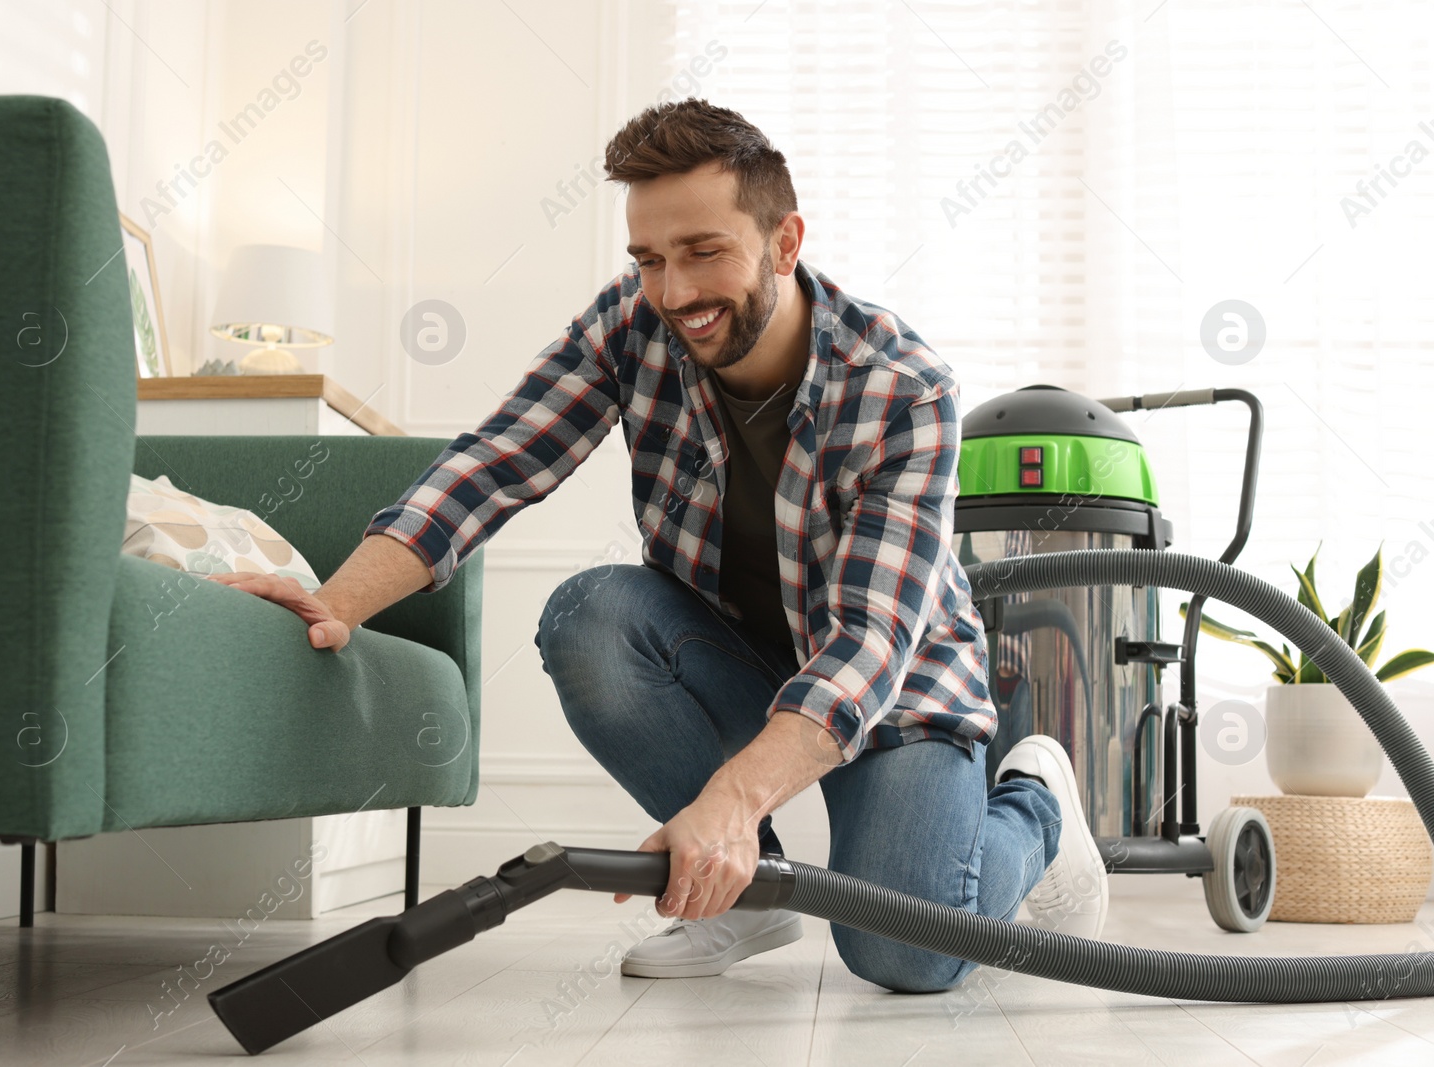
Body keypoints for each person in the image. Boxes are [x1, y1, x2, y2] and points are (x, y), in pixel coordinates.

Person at [207, 99, 1108, 993]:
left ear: (785, 242)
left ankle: (1034, 803)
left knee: (904, 954)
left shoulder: (902, 391)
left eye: (704, 252)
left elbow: (869, 642)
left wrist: (730, 797)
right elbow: (493, 464)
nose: (675, 293)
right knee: (588, 617)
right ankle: (748, 896)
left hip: (892, 689)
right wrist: (336, 602)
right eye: (649, 259)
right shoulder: (633, 323)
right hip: (737, 655)